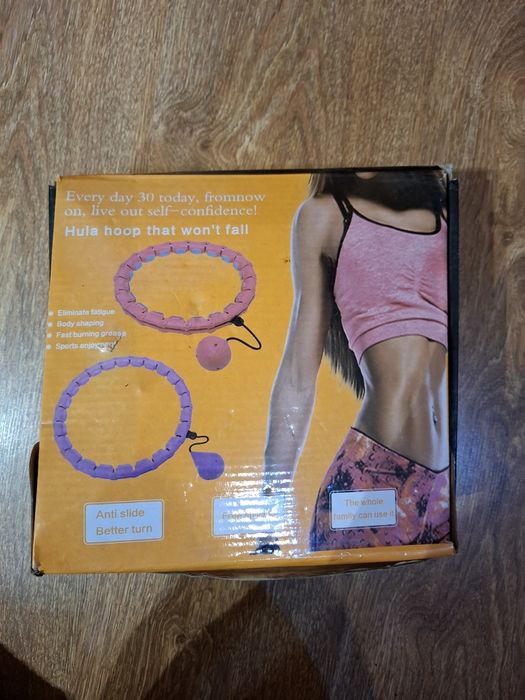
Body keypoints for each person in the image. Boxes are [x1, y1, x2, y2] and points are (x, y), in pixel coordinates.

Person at [261, 169, 450, 552]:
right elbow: (297, 377)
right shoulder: (325, 215)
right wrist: (267, 517)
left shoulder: (447, 210)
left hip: (446, 485)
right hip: (372, 478)